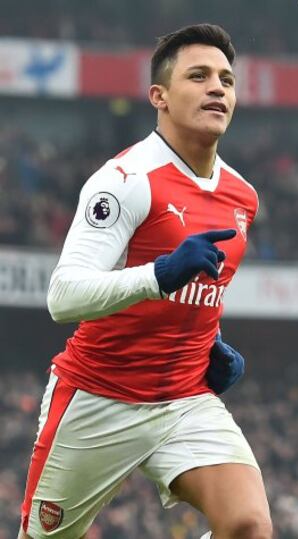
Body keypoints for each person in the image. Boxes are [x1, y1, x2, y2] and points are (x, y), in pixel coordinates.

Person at [18, 24, 273, 539]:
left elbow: (196, 296)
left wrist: (211, 345)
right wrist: (158, 274)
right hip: (97, 396)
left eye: (226, 79)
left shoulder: (243, 196)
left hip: (183, 398)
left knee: (247, 525)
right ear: (158, 96)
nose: (217, 88)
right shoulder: (125, 180)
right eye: (198, 76)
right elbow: (63, 295)